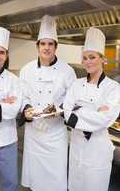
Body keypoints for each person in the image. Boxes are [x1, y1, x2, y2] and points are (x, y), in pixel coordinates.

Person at [19, 15, 76, 191]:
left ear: (56, 47)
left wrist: (61, 111)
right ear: (37, 46)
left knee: (55, 179)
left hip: (56, 134)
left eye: (50, 44)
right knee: (35, 180)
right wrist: (26, 110)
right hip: (34, 134)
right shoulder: (26, 70)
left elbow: (73, 101)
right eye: (43, 44)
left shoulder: (67, 71)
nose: (46, 48)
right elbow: (23, 98)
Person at [63, 27, 120, 191]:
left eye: (92, 57)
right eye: (85, 58)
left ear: (103, 59)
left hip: (98, 151)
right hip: (76, 147)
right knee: (74, 186)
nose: (88, 61)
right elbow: (67, 113)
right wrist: (93, 112)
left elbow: (105, 119)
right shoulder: (76, 84)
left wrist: (78, 110)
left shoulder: (113, 87)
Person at [0, 27, 22, 191]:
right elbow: (7, 107)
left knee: (11, 183)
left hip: (7, 140)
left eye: (2, 52)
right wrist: (2, 103)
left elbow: (13, 109)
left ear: (6, 56)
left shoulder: (14, 80)